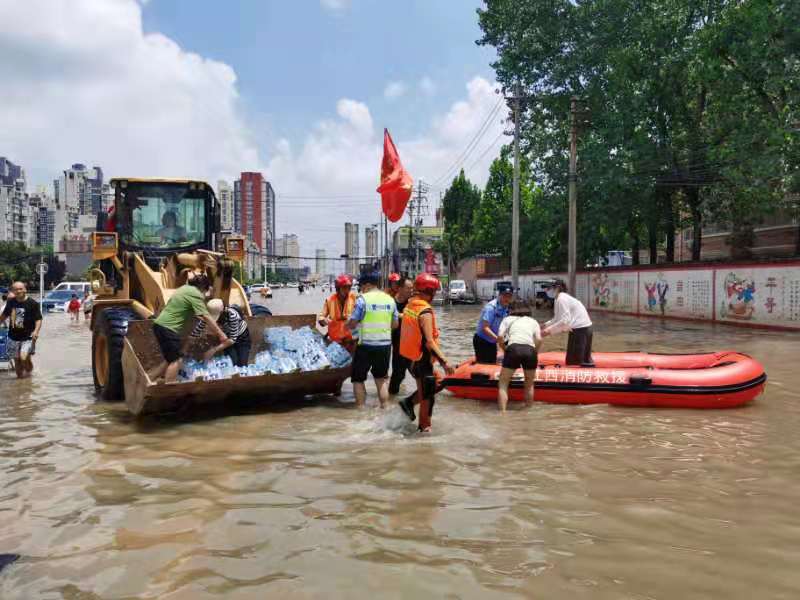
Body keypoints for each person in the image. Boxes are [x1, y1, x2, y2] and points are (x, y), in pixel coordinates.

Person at [397, 273, 454, 432]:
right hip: (422, 361)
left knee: (434, 386)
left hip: (411, 359)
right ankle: (424, 430)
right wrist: (445, 361)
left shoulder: (410, 305)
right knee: (428, 398)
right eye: (433, 291)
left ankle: (408, 403)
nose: (435, 294)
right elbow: (429, 342)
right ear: (427, 291)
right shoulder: (425, 311)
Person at [148, 274, 229, 383]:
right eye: (205, 292)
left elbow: (194, 314)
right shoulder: (195, 294)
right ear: (202, 288)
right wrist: (221, 334)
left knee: (169, 359)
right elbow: (206, 316)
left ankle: (148, 379)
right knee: (177, 360)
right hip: (169, 328)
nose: (204, 295)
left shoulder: (183, 289)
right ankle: (170, 386)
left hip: (159, 325)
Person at [346, 271, 399, 409]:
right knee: (381, 380)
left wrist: (348, 324)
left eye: (362, 286)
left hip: (365, 346)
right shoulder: (390, 300)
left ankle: (361, 411)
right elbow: (395, 325)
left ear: (368, 285)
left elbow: (353, 323)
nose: (361, 289)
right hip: (385, 346)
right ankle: (385, 407)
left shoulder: (363, 300)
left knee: (358, 379)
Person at [497, 306, 542, 412]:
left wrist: (505, 349)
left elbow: (499, 337)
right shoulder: (533, 321)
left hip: (513, 348)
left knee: (503, 382)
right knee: (529, 382)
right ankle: (528, 411)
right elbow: (539, 339)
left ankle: (503, 413)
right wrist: (535, 352)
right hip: (530, 350)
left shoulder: (507, 319)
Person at [541, 279, 593, 366]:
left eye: (548, 288)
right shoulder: (558, 299)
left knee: (577, 363)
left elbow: (565, 321)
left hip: (581, 330)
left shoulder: (562, 299)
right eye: (545, 289)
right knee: (573, 361)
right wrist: (544, 325)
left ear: (557, 288)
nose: (546, 291)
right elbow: (557, 318)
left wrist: (547, 331)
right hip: (578, 329)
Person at [0, 282, 42, 379]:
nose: (18, 291)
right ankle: (21, 383)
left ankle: (29, 375)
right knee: (17, 360)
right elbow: (4, 316)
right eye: (16, 289)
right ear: (13, 291)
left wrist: (36, 331)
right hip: (13, 336)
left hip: (27, 337)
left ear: (25, 289)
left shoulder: (33, 303)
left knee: (23, 358)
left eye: (20, 289)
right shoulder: (11, 302)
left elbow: (38, 319)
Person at [191, 299, 252, 366]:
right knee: (232, 362)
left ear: (222, 312)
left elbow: (232, 339)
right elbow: (197, 331)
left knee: (242, 364)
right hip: (227, 338)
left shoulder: (232, 315)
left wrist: (213, 350)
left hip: (241, 337)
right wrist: (187, 347)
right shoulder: (208, 315)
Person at [473, 282, 514, 364]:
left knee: (492, 363)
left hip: (492, 341)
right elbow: (485, 327)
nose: (507, 298)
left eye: (509, 296)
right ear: (499, 295)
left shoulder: (506, 307)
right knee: (484, 366)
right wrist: (498, 339)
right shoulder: (491, 307)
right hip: (482, 340)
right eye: (505, 296)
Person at [388, 275, 414, 395]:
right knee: (398, 375)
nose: (411, 291)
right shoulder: (391, 303)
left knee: (419, 372)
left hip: (412, 344)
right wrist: (398, 316)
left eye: (412, 288)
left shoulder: (413, 303)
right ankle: (391, 400)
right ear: (400, 288)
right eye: (408, 288)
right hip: (397, 344)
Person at [319, 274, 358, 348]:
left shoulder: (355, 298)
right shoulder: (330, 300)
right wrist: (324, 321)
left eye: (349, 287)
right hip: (335, 342)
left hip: (351, 341)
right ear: (338, 288)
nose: (347, 290)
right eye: (344, 288)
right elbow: (321, 317)